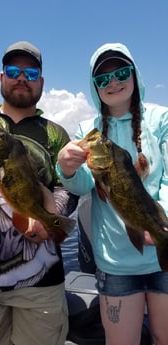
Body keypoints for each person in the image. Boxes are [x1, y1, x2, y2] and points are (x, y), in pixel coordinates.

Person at [56, 42, 168, 345]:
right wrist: (66, 169)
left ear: (135, 73)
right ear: (94, 87)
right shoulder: (86, 130)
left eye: (120, 72)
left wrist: (162, 220)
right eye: (102, 78)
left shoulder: (162, 119)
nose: (113, 82)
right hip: (116, 264)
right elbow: (82, 187)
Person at [0, 41, 78, 345]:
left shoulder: (55, 133)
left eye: (31, 72)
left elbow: (66, 186)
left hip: (41, 284)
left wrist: (52, 218)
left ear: (41, 82)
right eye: (14, 70)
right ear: (1, 77)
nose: (22, 77)